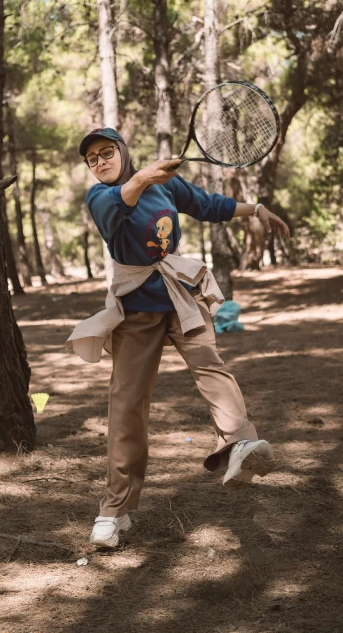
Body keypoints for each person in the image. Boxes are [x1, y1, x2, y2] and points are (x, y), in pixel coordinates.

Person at [67, 127, 290, 548]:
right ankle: (115, 509)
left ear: (123, 150)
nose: (100, 161)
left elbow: (207, 204)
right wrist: (145, 177)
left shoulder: (163, 185)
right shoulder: (100, 197)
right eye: (92, 158)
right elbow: (123, 201)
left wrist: (255, 208)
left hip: (180, 297)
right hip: (135, 311)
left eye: (107, 151)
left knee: (210, 364)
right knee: (127, 406)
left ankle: (240, 444)